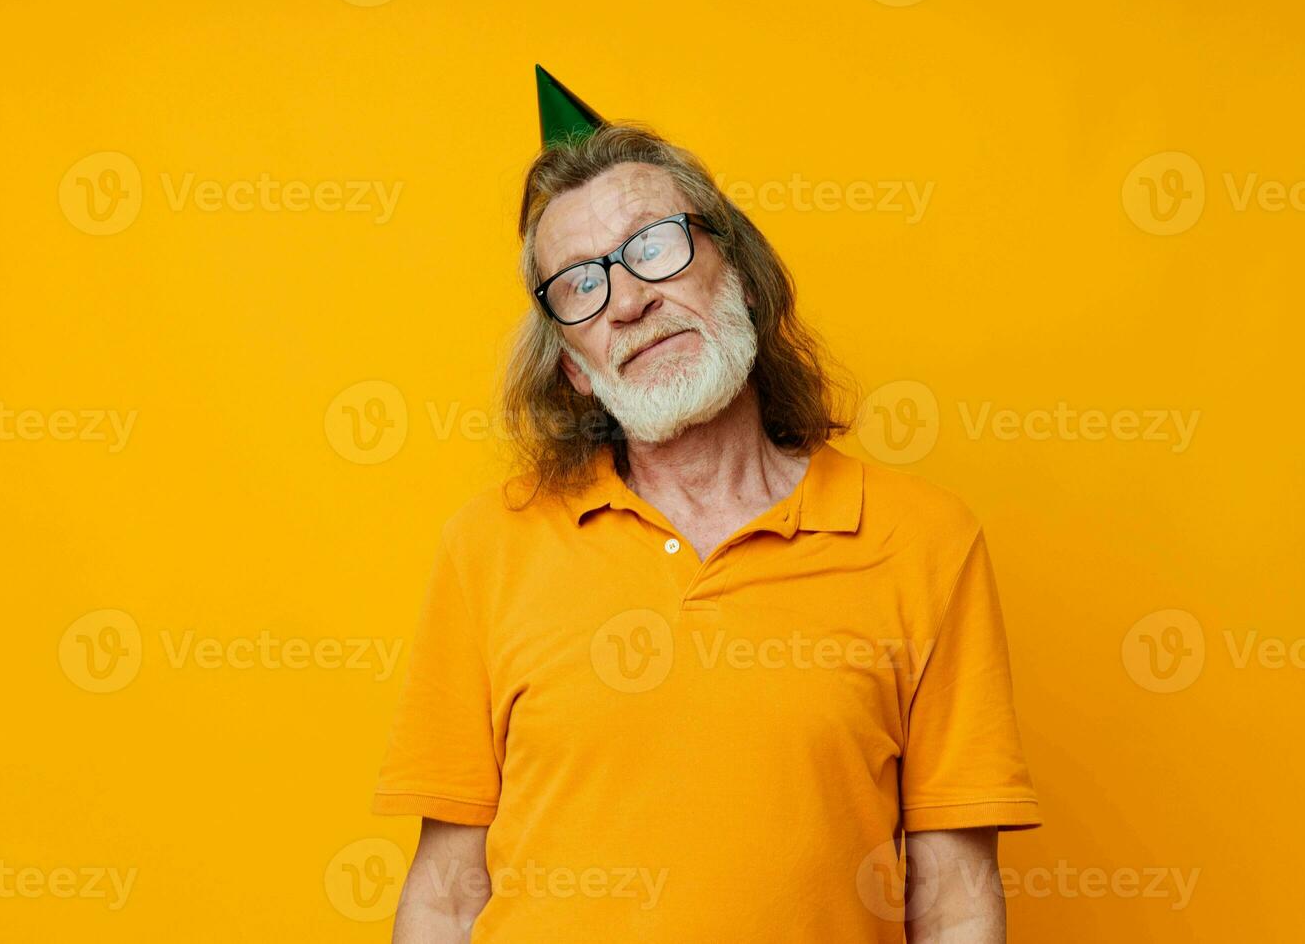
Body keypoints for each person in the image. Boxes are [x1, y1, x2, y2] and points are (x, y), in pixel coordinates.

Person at [372, 65, 1041, 943]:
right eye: (580, 284)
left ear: (747, 281)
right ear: (576, 365)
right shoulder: (489, 546)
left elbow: (955, 900)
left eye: (655, 245)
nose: (630, 300)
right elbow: (448, 894)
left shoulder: (925, 540)